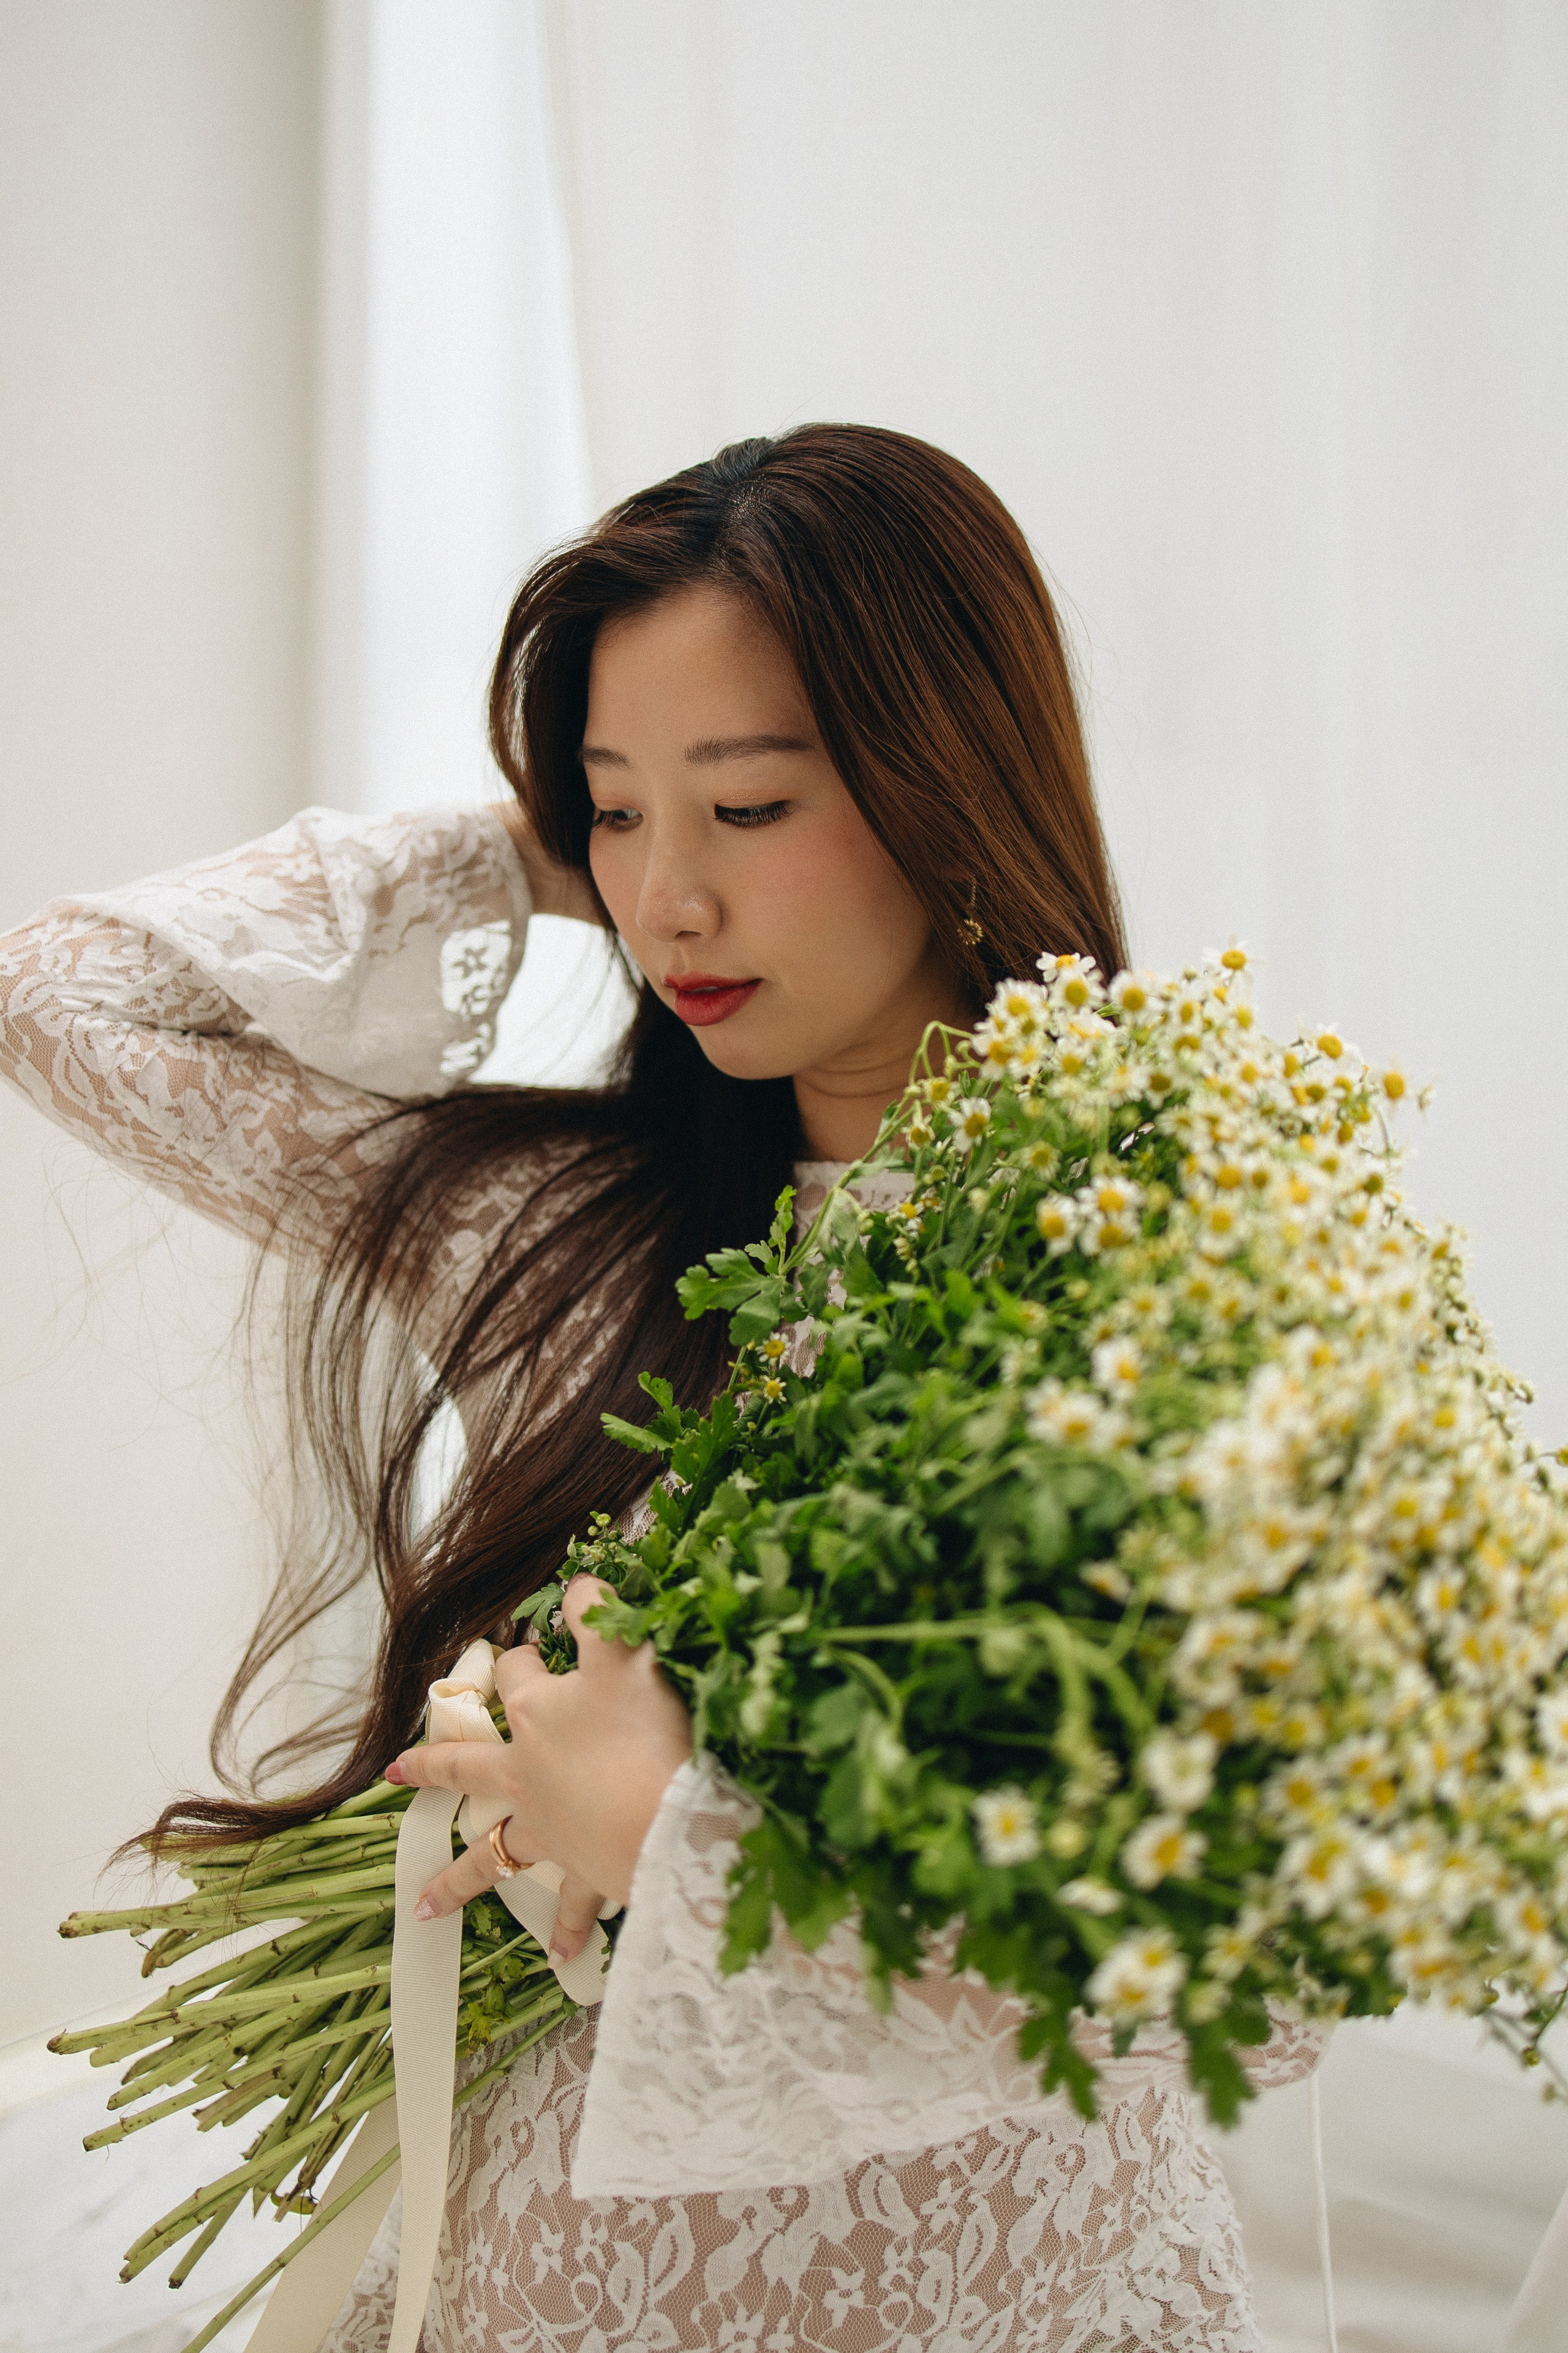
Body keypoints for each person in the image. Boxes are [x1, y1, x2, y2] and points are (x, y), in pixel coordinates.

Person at [0, 426, 1322, 2352]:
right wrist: (530, 839)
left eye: (753, 807)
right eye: (622, 818)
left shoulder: (1162, 1270)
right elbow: (69, 998)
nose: (666, 905)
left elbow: (1254, 1971)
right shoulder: (580, 1234)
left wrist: (680, 1830)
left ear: (950, 778)